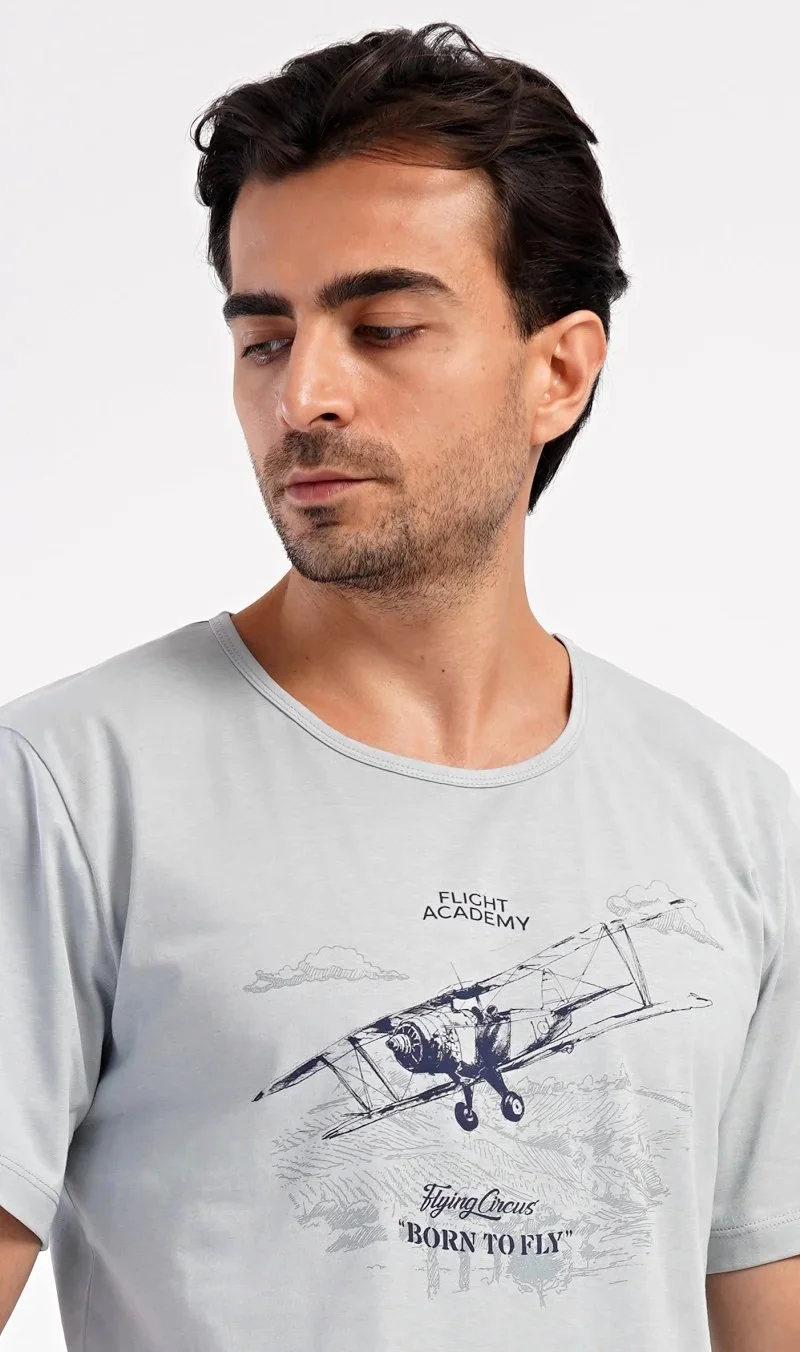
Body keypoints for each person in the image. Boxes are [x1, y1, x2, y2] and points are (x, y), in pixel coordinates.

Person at [0, 19, 798, 1351]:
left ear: (559, 371)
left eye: (381, 328)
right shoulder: (68, 786)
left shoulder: (738, 820)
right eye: (265, 339)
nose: (305, 395)